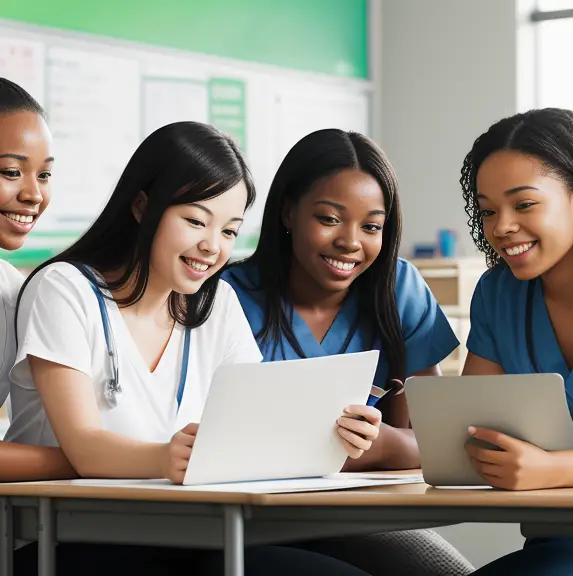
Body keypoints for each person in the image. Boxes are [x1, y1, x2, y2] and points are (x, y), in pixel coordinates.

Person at [9, 120, 374, 576]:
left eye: (229, 231)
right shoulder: (66, 289)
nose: (212, 247)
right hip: (72, 541)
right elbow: (84, 446)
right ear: (143, 206)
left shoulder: (217, 303)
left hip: (188, 534)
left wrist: (332, 435)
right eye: (196, 221)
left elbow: (259, 428)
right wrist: (165, 456)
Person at [222, 128, 474, 576]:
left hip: (363, 517)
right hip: (253, 520)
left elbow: (437, 441)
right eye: (330, 218)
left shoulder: (398, 288)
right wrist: (379, 449)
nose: (351, 242)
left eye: (372, 226)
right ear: (287, 211)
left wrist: (378, 446)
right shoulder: (227, 299)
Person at [460, 107, 573, 575]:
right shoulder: (499, 294)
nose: (501, 227)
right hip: (561, 538)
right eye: (488, 211)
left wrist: (552, 469)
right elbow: (470, 426)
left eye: (523, 205)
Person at [0, 77, 76, 482]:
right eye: (11, 171)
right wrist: (93, 456)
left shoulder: (13, 291)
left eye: (44, 176)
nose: (33, 194)